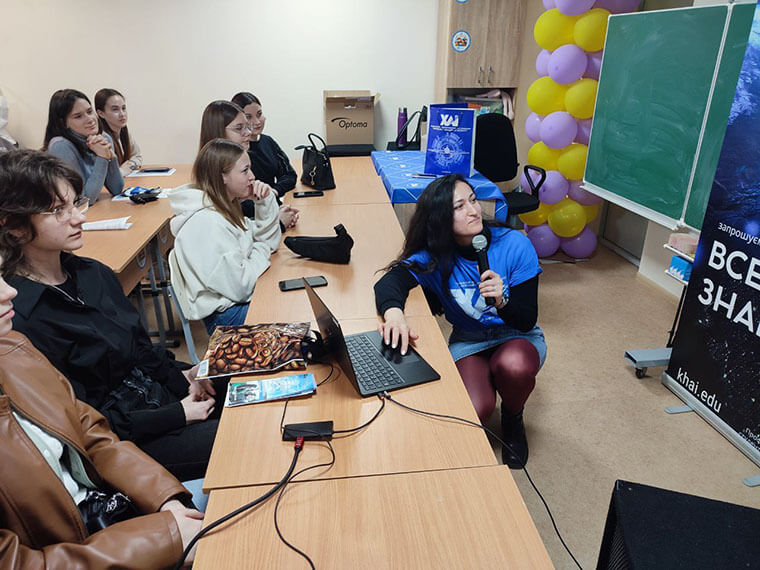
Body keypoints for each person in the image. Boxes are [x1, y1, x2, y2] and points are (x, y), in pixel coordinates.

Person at [0, 149, 219, 481]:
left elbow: (141, 350)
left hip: (157, 401)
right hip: (125, 443)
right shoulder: (19, 318)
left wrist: (185, 379)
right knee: (243, 436)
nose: (78, 218)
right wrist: (178, 414)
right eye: (58, 211)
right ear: (15, 228)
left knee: (248, 388)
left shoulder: (94, 274)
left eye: (76, 204)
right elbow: (84, 423)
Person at [0, 254, 204, 568]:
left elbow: (92, 435)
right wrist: (166, 539)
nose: (9, 291)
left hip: (116, 522)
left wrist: (164, 498)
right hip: (100, 548)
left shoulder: (14, 349)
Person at [373, 174, 546, 468]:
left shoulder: (515, 244)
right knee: (475, 410)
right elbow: (390, 282)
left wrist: (502, 301)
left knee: (513, 366)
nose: (474, 211)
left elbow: (527, 319)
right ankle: (491, 381)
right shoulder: (434, 255)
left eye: (473, 200)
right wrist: (394, 315)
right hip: (469, 339)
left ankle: (513, 416)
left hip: (516, 334)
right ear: (440, 219)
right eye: (459, 206)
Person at [169, 138, 281, 333]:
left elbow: (269, 243)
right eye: (245, 171)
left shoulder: (224, 207)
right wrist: (261, 248)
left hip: (235, 304)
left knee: (291, 296)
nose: (253, 177)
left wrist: (264, 202)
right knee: (293, 310)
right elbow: (242, 287)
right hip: (226, 318)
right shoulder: (208, 224)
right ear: (222, 177)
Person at [199, 99, 298, 229]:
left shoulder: (263, 143)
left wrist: (272, 208)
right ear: (218, 132)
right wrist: (277, 222)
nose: (249, 132)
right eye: (239, 128)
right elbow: (241, 231)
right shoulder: (210, 212)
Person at [42, 89, 123, 203]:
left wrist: (111, 156)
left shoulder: (102, 138)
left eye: (89, 111)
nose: (90, 119)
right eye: (78, 116)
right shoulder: (61, 145)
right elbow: (84, 199)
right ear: (63, 123)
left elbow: (117, 189)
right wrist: (102, 157)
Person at [230, 91, 297, 198]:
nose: (257, 122)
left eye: (259, 114)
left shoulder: (268, 141)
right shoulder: (235, 150)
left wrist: (273, 192)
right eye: (248, 117)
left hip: (269, 202)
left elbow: (289, 175)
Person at [94, 88, 143, 176]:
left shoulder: (123, 131)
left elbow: (137, 156)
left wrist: (130, 165)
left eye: (123, 108)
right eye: (115, 109)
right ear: (101, 113)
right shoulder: (101, 139)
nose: (122, 114)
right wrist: (121, 171)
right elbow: (104, 175)